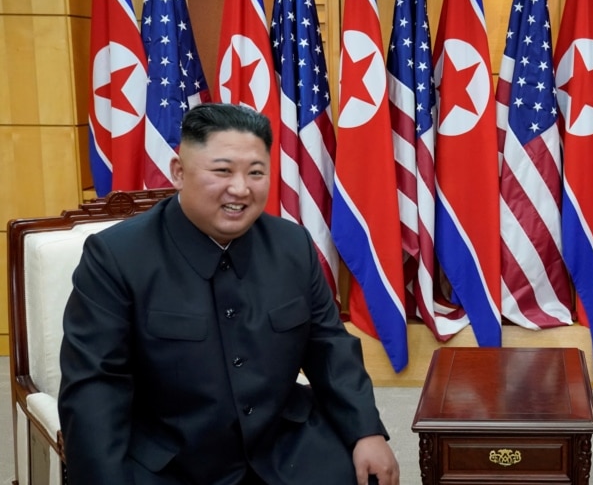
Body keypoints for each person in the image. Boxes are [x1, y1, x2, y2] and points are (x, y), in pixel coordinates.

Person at [59, 103, 399, 485]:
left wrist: (366, 430)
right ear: (178, 172)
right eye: (222, 171)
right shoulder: (116, 257)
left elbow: (329, 346)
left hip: (283, 449)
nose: (241, 188)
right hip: (172, 461)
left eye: (256, 173)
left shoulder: (292, 246)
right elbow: (95, 387)